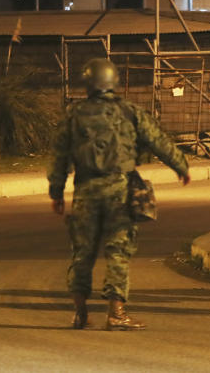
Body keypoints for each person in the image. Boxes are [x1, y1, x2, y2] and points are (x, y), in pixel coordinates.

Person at [48, 58, 191, 331]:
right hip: (119, 189)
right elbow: (157, 140)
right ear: (113, 81)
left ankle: (80, 313)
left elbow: (59, 156)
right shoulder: (129, 111)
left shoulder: (73, 115)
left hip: (85, 191)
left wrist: (56, 192)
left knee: (82, 252)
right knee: (118, 250)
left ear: (88, 83)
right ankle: (116, 313)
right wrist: (181, 167)